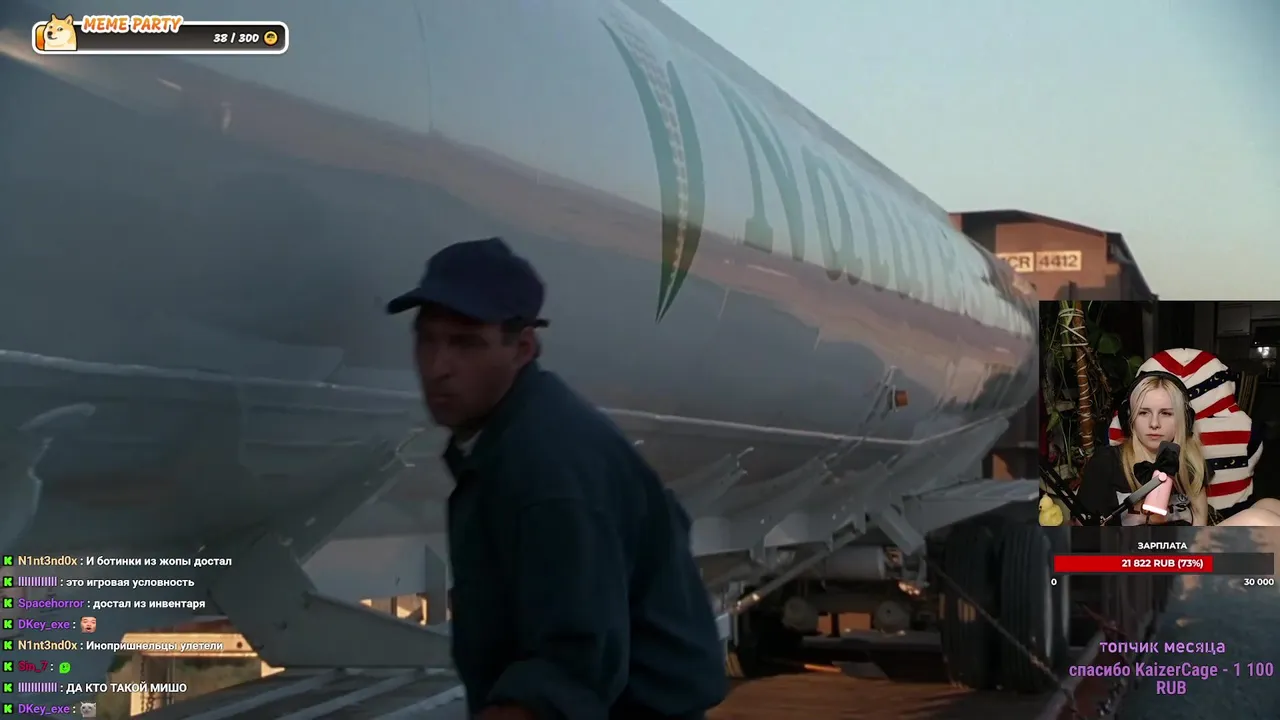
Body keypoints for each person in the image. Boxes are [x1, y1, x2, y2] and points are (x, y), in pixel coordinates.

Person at [387, 237, 728, 719]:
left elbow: (569, 671)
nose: (437, 367)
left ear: (523, 348)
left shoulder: (548, 467)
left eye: (466, 343)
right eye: (427, 339)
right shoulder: (507, 440)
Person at [1077, 371, 1280, 526]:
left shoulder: (1190, 461)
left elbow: (1200, 522)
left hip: (1186, 554)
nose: (1154, 424)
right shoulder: (1106, 462)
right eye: (1143, 413)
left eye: (1166, 413)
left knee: (1271, 505)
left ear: (1184, 420)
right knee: (1260, 521)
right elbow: (1081, 532)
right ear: (1129, 418)